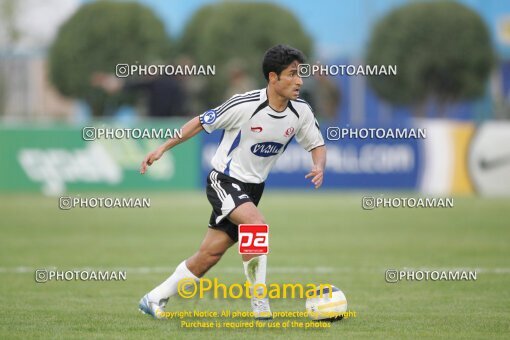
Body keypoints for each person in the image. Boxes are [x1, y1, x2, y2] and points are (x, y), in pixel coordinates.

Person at [138, 44, 327, 320]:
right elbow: (200, 122)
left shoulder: (301, 112)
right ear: (272, 78)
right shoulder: (245, 104)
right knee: (257, 225)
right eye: (292, 74)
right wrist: (162, 148)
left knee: (208, 256)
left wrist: (318, 166)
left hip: (253, 189)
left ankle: (153, 298)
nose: (299, 81)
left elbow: (317, 143)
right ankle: (260, 304)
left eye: (300, 74)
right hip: (224, 181)